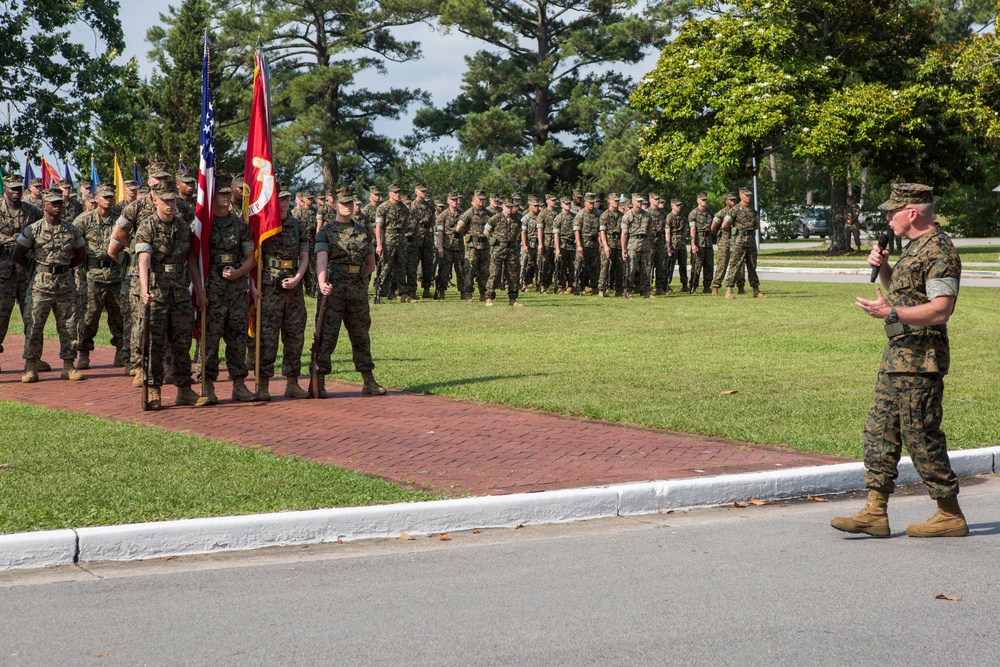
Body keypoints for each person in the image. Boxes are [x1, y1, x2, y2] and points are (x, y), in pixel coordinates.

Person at [831, 183, 967, 538]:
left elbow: (941, 310)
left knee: (920, 434)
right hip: (898, 355)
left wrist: (891, 312)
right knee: (880, 431)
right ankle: (875, 511)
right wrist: (887, 268)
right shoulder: (912, 248)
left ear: (912, 212)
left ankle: (949, 513)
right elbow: (905, 295)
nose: (887, 217)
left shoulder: (940, 250)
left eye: (893, 211)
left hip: (922, 360)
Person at [133, 181, 204, 409]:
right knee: (155, 343)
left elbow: (191, 261)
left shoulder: (184, 227)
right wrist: (144, 289)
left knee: (182, 342)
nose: (171, 205)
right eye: (166, 201)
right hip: (157, 293)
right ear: (155, 200)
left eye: (173, 200)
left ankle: (184, 389)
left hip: (180, 293)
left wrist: (199, 292)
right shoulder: (147, 227)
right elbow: (144, 261)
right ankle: (154, 389)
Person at [313, 187, 385, 397]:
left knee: (361, 334)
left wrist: (357, 278)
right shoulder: (326, 232)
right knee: (326, 335)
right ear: (335, 205)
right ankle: (319, 380)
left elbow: (370, 264)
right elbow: (321, 259)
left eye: (351, 204)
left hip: (357, 289)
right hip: (333, 289)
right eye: (344, 204)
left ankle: (368, 380)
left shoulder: (362, 231)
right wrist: (322, 281)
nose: (348, 207)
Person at [13, 189, 87, 382]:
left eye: (59, 203)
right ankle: (31, 366)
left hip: (65, 284)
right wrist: (38, 267)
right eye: (53, 203)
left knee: (69, 325)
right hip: (40, 284)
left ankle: (69, 366)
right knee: (34, 325)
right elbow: (18, 254)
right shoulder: (33, 229)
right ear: (44, 206)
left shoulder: (72, 229)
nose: (57, 206)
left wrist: (65, 268)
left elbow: (81, 254)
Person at [196, 178, 256, 406]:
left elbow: (250, 258)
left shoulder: (241, 226)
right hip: (212, 291)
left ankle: (239, 385)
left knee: (238, 339)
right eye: (220, 194)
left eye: (228, 194)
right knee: (209, 340)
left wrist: (239, 272)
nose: (225, 197)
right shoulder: (204, 225)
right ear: (212, 197)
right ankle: (207, 385)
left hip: (237, 291)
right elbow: (195, 258)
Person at [255, 187, 310, 401]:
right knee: (268, 337)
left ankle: (292, 383)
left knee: (295, 336)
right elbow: (257, 256)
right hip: (270, 287)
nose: (285, 202)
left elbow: (304, 256)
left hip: (294, 288)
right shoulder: (265, 225)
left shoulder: (298, 226)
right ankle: (263, 384)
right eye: (281, 199)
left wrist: (298, 278)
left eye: (287, 199)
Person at [75, 184, 125, 369]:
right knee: (89, 317)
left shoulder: (120, 220)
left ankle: (121, 352)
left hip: (116, 275)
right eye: (104, 196)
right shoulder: (83, 220)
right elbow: (73, 244)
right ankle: (84, 353)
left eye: (111, 197)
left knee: (119, 316)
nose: (108, 199)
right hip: (92, 277)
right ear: (96, 198)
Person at [0, 175, 45, 375]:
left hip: (26, 271)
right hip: (3, 273)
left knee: (32, 317)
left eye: (19, 188)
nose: (16, 192)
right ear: (5, 191)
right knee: (1, 317)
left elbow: (43, 234)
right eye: (12, 189)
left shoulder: (32, 212)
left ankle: (33, 359)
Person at [723, 187, 766, 299]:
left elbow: (756, 225)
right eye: (746, 195)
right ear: (740, 196)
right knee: (735, 265)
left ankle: (756, 290)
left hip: (750, 240)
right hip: (738, 241)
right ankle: (729, 291)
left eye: (750, 195)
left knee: (752, 266)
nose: (748, 197)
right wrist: (735, 234)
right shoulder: (734, 210)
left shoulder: (753, 211)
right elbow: (724, 225)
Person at [484, 197, 523, 307]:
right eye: (507, 207)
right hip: (498, 249)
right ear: (503, 207)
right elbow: (486, 231)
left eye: (511, 207)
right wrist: (493, 241)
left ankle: (513, 299)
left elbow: (519, 233)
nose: (509, 209)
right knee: (494, 273)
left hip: (512, 250)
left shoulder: (517, 220)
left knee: (513, 275)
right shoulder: (495, 218)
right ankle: (489, 297)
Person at [374, 184, 409, 302]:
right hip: (388, 241)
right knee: (386, 267)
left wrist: (400, 235)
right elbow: (378, 227)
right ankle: (378, 293)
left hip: (401, 241)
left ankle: (403, 294)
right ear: (389, 194)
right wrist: (379, 244)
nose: (398, 195)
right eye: (395, 192)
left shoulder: (404, 208)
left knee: (401, 267)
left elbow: (406, 225)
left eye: (399, 192)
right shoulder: (383, 207)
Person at [456, 190, 490, 302]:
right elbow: (459, 228)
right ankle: (468, 293)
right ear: (473, 201)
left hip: (485, 245)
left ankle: (483, 294)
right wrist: (468, 233)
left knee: (484, 271)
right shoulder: (468, 213)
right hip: (472, 246)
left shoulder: (489, 214)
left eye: (483, 199)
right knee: (469, 270)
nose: (482, 201)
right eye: (479, 199)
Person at [434, 192, 466, 300]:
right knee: (444, 271)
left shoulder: (463, 214)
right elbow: (440, 232)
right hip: (447, 246)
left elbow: (465, 231)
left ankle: (463, 292)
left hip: (459, 246)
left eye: (456, 199)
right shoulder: (443, 215)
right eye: (452, 200)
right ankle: (442, 292)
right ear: (448, 201)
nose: (455, 202)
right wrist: (440, 247)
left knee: (461, 270)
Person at [710, 193, 743, 296]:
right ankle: (715, 287)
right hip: (725, 240)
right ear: (726, 201)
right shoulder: (721, 213)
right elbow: (713, 228)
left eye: (734, 200)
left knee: (739, 264)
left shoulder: (739, 212)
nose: (733, 202)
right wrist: (721, 237)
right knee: (722, 264)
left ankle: (740, 287)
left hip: (736, 240)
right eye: (731, 200)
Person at [620, 193, 652, 298]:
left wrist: (646, 240)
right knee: (631, 269)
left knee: (646, 269)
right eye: (637, 201)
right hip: (633, 244)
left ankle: (646, 291)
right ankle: (628, 291)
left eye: (641, 201)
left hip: (645, 244)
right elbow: (624, 233)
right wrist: (624, 249)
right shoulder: (628, 215)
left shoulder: (647, 215)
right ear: (633, 202)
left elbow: (649, 230)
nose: (640, 202)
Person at [572, 193, 601, 295]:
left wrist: (600, 243)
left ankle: (594, 287)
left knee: (595, 267)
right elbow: (576, 231)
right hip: (584, 243)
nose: (592, 205)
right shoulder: (580, 215)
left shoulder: (597, 214)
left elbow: (600, 231)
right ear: (585, 203)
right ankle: (579, 287)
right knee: (580, 266)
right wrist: (579, 245)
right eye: (590, 203)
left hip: (594, 244)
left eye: (593, 202)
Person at [597, 193, 623, 297]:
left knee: (619, 268)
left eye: (618, 200)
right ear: (609, 201)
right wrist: (605, 246)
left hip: (619, 244)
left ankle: (619, 290)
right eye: (614, 200)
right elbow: (602, 232)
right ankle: (602, 289)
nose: (616, 202)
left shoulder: (622, 215)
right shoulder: (605, 215)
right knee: (605, 267)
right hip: (609, 242)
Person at [688, 192, 714, 294]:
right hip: (699, 242)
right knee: (696, 266)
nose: (704, 202)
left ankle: (707, 286)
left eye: (705, 200)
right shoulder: (693, 213)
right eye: (702, 200)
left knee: (709, 265)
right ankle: (693, 287)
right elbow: (692, 229)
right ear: (698, 200)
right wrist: (693, 244)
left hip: (708, 242)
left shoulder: (709, 213)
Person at [665, 198, 689, 294]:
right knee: (670, 265)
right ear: (672, 206)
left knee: (683, 264)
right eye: (677, 205)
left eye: (680, 205)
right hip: (672, 243)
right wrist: (668, 247)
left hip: (681, 243)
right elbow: (667, 232)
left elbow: (685, 231)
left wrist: (681, 239)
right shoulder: (669, 217)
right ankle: (667, 285)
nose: (679, 207)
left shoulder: (683, 217)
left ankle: (684, 285)